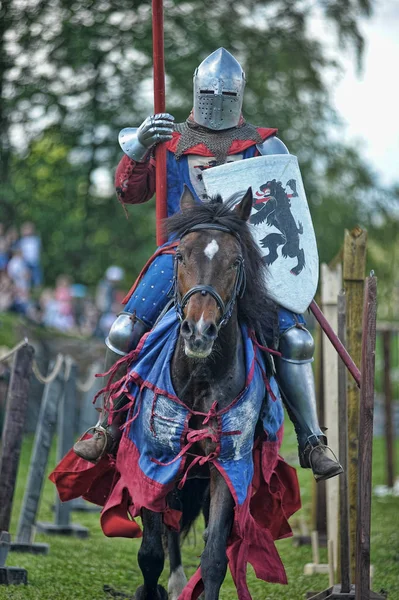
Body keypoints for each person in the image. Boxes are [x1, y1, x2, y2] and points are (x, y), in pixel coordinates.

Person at [74, 48, 342, 482]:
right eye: (209, 92)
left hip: (243, 256)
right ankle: (107, 424)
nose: (216, 100)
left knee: (296, 343)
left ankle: (311, 440)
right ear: (197, 91)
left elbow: (286, 205)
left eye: (224, 93)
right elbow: (129, 191)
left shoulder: (263, 145)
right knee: (124, 329)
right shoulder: (169, 139)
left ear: (238, 94)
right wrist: (141, 147)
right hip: (183, 253)